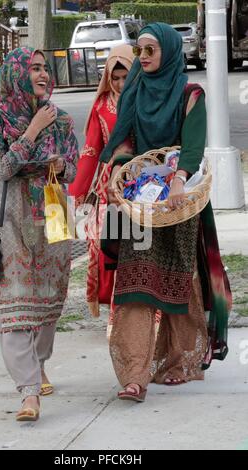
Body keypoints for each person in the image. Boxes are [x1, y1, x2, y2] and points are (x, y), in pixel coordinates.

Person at [99, 23, 232, 402]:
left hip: (177, 203)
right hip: (138, 206)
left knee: (177, 279)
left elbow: (192, 144)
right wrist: (120, 170)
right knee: (134, 283)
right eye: (139, 50)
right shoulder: (136, 90)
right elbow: (123, 139)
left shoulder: (190, 94)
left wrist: (178, 179)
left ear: (170, 51)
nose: (142, 58)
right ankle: (134, 375)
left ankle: (178, 362)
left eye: (150, 50)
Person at [0, 47, 79, 421]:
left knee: (50, 299)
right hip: (12, 215)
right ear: (16, 74)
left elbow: (73, 170)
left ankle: (39, 363)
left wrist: (61, 165)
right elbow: (2, 168)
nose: (42, 74)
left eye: (44, 68)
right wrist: (33, 130)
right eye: (33, 68)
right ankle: (28, 392)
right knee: (15, 304)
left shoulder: (64, 119)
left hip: (53, 207)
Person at [69, 45, 134, 336]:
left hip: (141, 183)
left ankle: (140, 314)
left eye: (125, 76)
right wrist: (77, 191)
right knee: (108, 248)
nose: (120, 83)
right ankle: (115, 313)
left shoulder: (145, 100)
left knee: (139, 248)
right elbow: (91, 150)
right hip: (108, 187)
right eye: (115, 78)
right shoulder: (101, 106)